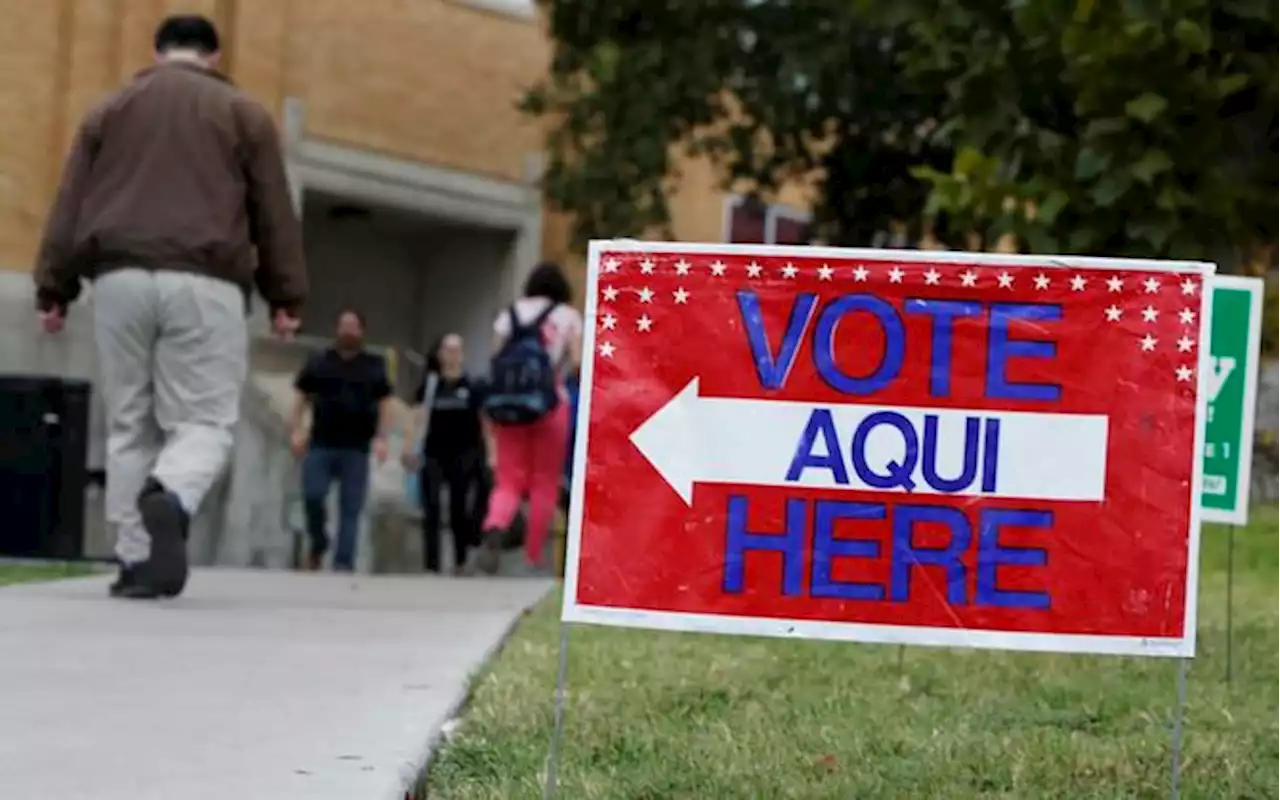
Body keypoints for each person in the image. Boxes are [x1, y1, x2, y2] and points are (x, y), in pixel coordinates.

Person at [32, 14, 306, 600]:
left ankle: (135, 559)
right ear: (214, 56)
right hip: (204, 283)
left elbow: (69, 201)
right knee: (204, 419)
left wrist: (53, 287)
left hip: (119, 280)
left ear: (157, 54)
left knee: (130, 421)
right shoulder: (244, 114)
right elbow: (273, 212)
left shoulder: (109, 110)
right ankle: (171, 492)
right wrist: (285, 296)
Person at [475, 262, 583, 574]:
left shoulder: (510, 314)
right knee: (544, 483)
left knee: (508, 480)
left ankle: (495, 526)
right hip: (551, 406)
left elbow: (495, 358)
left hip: (508, 407)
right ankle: (532, 558)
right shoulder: (567, 316)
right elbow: (576, 362)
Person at [290, 310, 392, 572]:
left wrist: (382, 438)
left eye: (353, 326)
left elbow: (385, 403)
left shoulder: (374, 365)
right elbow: (300, 396)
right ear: (337, 329)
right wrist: (296, 430)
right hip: (321, 443)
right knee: (313, 496)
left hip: (356, 447)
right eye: (344, 325)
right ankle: (319, 541)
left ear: (361, 331)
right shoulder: (319, 361)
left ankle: (343, 563)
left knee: (351, 508)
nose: (348, 330)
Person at [402, 333, 493, 574]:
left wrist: (492, 454)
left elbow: (485, 422)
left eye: (457, 350)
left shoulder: (473, 386)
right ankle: (431, 565)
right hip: (433, 453)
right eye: (448, 350)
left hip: (464, 453)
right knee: (431, 507)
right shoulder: (430, 385)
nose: (452, 355)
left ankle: (461, 560)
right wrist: (409, 447)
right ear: (440, 354)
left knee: (458, 508)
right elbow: (417, 416)